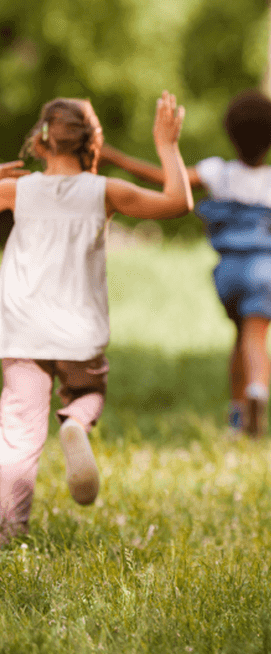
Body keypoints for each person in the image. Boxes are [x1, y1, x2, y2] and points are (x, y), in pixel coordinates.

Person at [0, 93, 193, 545]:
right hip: (78, 334)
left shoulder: (17, 190)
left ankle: (9, 530)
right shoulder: (105, 191)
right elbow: (177, 203)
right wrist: (167, 145)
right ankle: (75, 424)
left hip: (22, 331)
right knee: (87, 390)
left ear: (41, 140)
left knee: (18, 432)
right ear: (92, 142)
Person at [100, 90, 271, 438]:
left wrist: (115, 156)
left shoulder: (216, 172)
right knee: (256, 338)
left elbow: (159, 177)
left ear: (230, 133)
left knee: (239, 336)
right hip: (266, 268)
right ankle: (257, 391)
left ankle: (236, 416)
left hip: (228, 270)